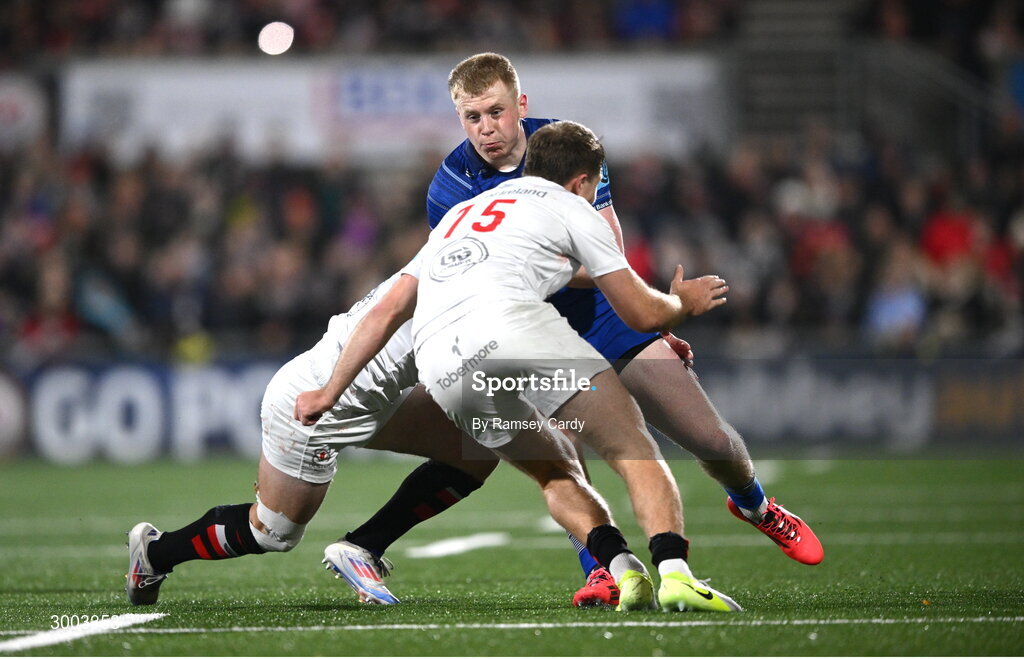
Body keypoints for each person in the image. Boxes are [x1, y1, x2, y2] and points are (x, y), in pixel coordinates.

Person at [324, 52, 822, 609]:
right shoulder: (449, 185)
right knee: (566, 457)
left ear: (521, 106)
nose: (486, 129)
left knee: (709, 438)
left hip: (602, 310)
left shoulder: (565, 148)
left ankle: (754, 504)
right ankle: (601, 569)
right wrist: (651, 304)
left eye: (496, 112)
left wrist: (648, 310)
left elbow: (606, 249)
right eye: (472, 117)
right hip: (521, 322)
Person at [299, 120, 741, 613]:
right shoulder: (574, 207)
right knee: (631, 446)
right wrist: (682, 303)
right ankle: (675, 572)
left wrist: (329, 391)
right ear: (581, 182)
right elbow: (642, 313)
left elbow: (386, 308)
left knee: (554, 472)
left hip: (441, 360)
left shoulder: (459, 213)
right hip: (512, 328)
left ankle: (622, 569)